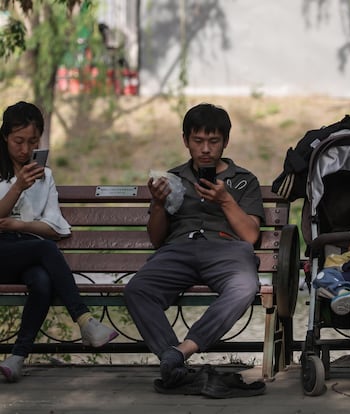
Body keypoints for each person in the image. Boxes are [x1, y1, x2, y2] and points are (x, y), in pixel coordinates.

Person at [124, 103, 265, 395]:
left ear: (225, 142)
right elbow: (156, 239)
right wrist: (160, 204)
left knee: (244, 286)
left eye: (213, 142)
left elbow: (250, 236)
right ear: (185, 140)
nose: (205, 149)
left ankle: (182, 351)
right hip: (179, 249)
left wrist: (226, 201)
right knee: (137, 289)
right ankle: (172, 361)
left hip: (228, 249)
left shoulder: (243, 180)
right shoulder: (171, 179)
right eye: (198, 141)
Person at [0, 101, 118, 383]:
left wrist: (20, 224)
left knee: (42, 280)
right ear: (4, 136)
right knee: (43, 248)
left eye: (32, 142)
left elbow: (55, 227)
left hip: (27, 250)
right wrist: (17, 188)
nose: (25, 150)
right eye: (18, 141)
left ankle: (16, 358)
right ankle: (85, 321)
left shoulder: (45, 176)